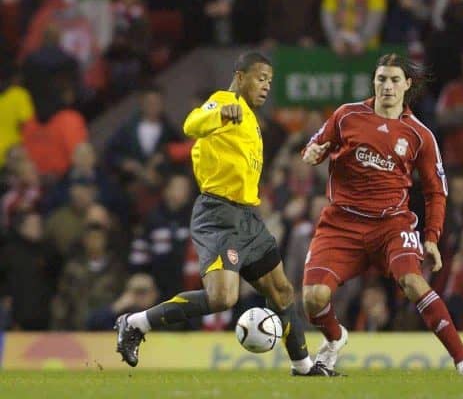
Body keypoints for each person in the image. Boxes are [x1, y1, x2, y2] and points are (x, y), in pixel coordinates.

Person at [115, 52, 334, 376]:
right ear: (240, 75)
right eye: (261, 78)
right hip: (218, 213)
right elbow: (191, 124)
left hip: (248, 218)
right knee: (222, 298)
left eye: (269, 82)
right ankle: (135, 323)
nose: (266, 87)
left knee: (283, 291)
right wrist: (220, 116)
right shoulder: (223, 102)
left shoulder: (251, 120)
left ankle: (302, 367)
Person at [301, 53, 463, 375]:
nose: (387, 86)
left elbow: (435, 191)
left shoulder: (420, 135)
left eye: (394, 80)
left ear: (407, 85)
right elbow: (313, 146)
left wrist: (432, 238)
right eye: (381, 79)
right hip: (342, 223)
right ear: (374, 82)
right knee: (313, 299)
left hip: (391, 224)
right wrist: (314, 154)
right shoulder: (346, 116)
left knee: (413, 281)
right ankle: (334, 338)